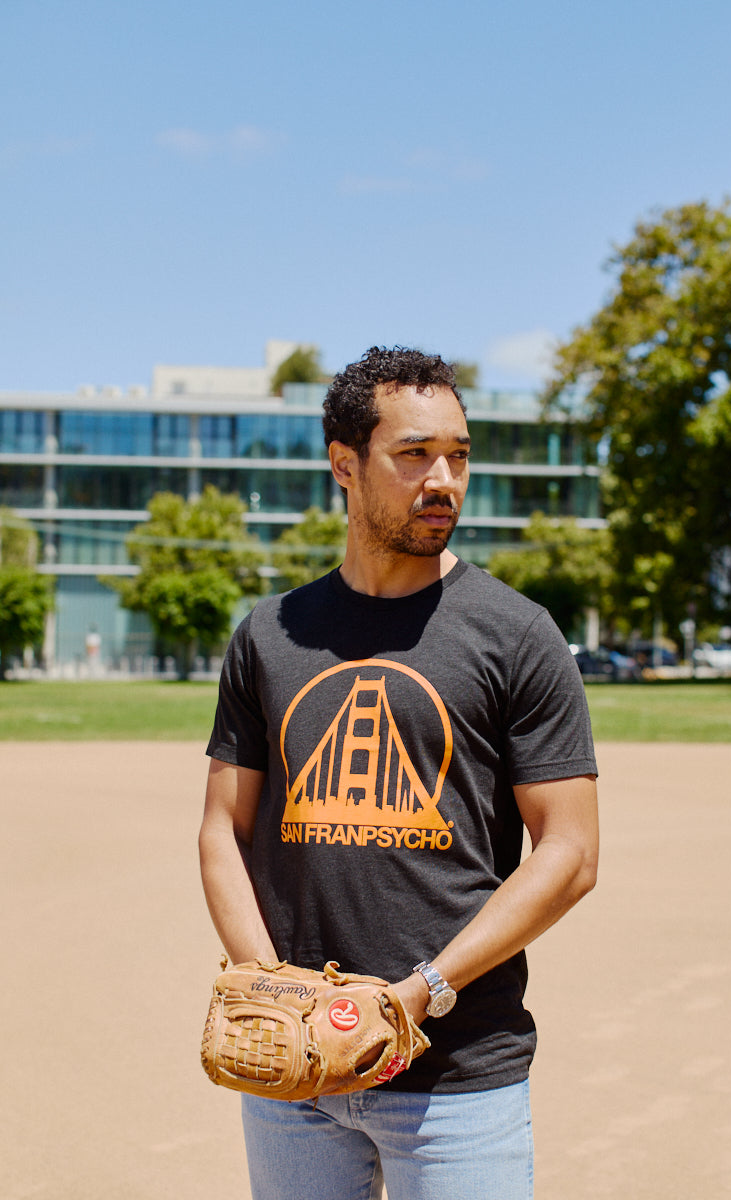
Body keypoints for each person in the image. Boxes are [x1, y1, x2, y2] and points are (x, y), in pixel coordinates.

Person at [199, 346, 599, 1200]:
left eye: (457, 453)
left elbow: (569, 853)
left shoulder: (517, 635)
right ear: (345, 465)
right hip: (296, 1083)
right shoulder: (269, 637)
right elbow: (221, 830)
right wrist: (275, 994)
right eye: (414, 453)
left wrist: (421, 994)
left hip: (458, 1080)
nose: (444, 477)